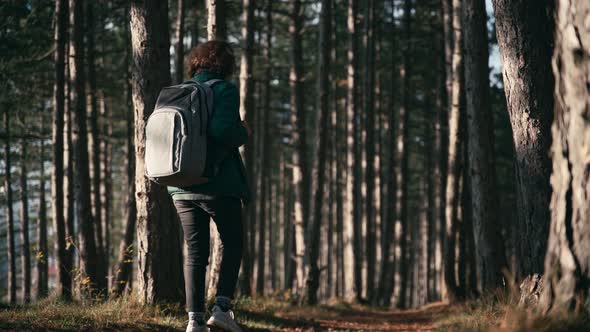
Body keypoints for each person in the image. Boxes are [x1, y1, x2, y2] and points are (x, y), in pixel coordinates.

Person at [168, 40, 251, 332]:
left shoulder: (179, 91)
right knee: (233, 242)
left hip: (180, 184)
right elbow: (222, 131)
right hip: (218, 183)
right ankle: (222, 308)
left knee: (195, 252)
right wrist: (243, 130)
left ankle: (194, 320)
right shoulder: (225, 90)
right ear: (226, 65)